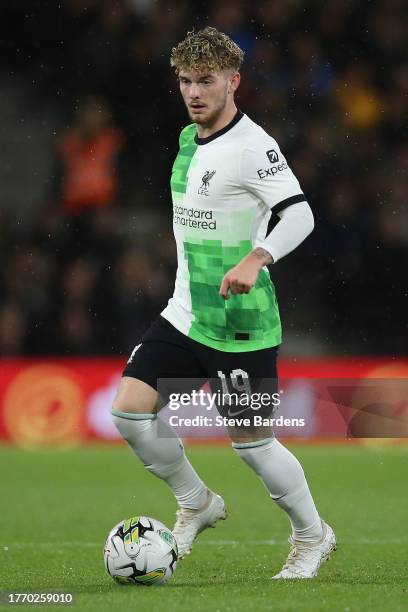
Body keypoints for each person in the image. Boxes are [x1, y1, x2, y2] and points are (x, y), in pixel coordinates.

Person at [112, 27, 336, 579]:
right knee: (129, 412)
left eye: (206, 81)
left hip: (241, 327)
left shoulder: (253, 147)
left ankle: (313, 535)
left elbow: (301, 215)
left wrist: (256, 258)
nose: (194, 92)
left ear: (233, 82)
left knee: (254, 445)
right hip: (186, 313)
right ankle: (197, 501)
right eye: (186, 81)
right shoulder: (190, 140)